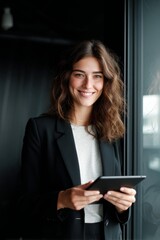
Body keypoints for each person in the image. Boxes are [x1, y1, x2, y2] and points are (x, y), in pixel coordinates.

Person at [16, 39, 136, 240]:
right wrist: (61, 199)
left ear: (106, 82)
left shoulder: (114, 130)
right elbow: (23, 204)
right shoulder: (40, 129)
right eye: (79, 74)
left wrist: (124, 207)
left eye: (97, 76)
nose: (88, 85)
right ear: (66, 78)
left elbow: (118, 204)